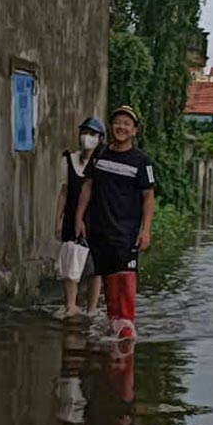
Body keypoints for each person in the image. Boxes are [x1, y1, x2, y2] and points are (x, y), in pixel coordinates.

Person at [74, 105, 155, 339]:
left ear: (134, 131)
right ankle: (114, 321)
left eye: (127, 124)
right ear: (111, 126)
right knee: (108, 275)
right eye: (118, 122)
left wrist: (145, 230)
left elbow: (148, 197)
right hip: (100, 229)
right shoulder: (99, 154)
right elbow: (87, 187)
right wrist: (79, 218)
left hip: (127, 230)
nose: (121, 127)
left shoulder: (142, 162)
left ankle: (127, 324)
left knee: (126, 277)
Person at [56, 116, 106, 318]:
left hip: (95, 219)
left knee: (95, 267)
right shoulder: (68, 160)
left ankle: (92, 308)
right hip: (71, 219)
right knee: (69, 263)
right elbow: (63, 192)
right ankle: (71, 306)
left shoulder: (103, 162)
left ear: (100, 138)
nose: (87, 137)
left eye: (92, 134)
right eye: (84, 133)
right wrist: (57, 220)